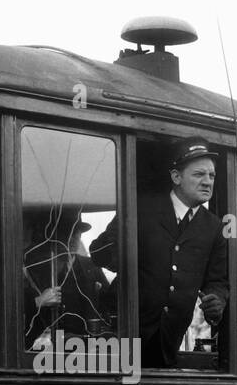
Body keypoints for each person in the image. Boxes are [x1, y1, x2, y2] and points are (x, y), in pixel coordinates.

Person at [90, 136, 228, 368]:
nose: (207, 182)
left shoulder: (213, 227)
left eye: (212, 176)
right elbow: (98, 252)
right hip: (121, 334)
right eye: (199, 175)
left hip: (167, 343)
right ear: (176, 177)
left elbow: (217, 281)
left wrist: (217, 300)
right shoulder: (140, 209)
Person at [23, 215, 113, 347]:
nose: (73, 239)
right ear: (56, 236)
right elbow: (13, 308)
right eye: (68, 233)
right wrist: (38, 301)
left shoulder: (91, 265)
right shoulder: (33, 268)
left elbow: (109, 302)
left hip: (86, 345)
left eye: (77, 234)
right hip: (48, 347)